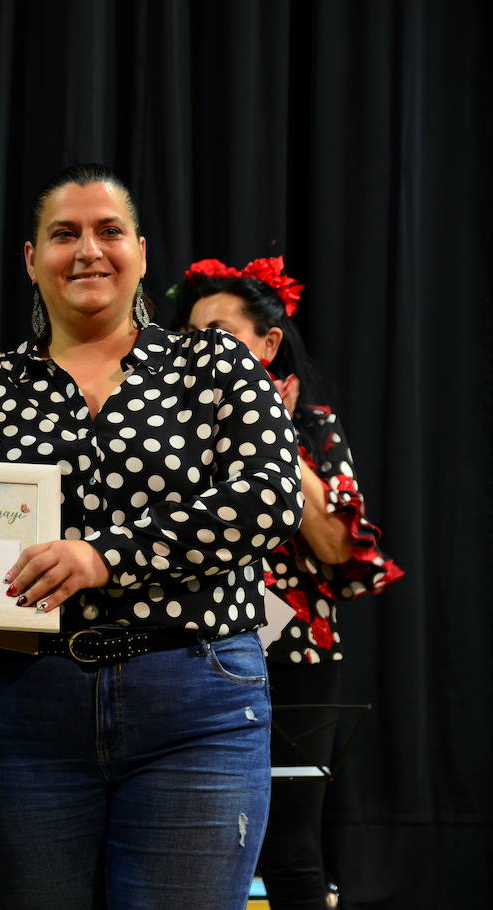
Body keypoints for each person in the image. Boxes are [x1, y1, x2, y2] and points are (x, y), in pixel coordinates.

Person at [0, 163, 304, 908]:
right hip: (23, 705)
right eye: (63, 234)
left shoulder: (212, 364)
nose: (87, 250)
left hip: (196, 700)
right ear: (32, 260)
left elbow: (269, 500)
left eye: (108, 232)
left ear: (140, 250)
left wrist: (106, 556)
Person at [177, 257, 403, 910]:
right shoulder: (167, 426)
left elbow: (337, 544)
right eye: (191, 334)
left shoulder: (312, 428)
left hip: (296, 655)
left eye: (220, 331)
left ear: (269, 343)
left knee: (290, 846)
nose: (202, 348)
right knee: (198, 836)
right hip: (198, 647)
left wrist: (272, 434)